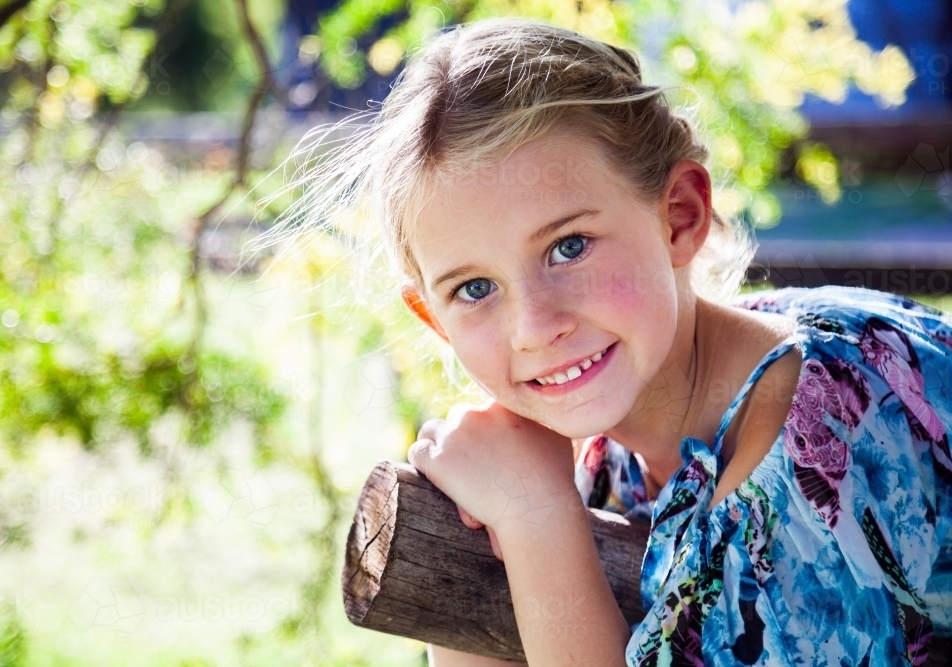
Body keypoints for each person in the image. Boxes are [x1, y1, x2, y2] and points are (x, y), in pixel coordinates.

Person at [270, 18, 952, 666]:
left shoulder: (825, 425)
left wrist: (538, 522)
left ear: (679, 216)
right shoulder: (595, 462)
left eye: (569, 247)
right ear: (435, 321)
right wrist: (476, 523)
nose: (536, 326)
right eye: (475, 289)